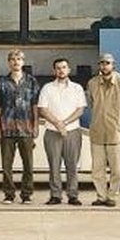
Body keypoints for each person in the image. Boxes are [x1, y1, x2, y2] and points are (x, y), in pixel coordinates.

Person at [86, 52, 120, 207]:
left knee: (116, 170)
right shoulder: (92, 83)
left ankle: (112, 196)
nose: (104, 66)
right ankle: (101, 196)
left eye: (107, 63)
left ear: (113, 65)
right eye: (101, 63)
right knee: (97, 169)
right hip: (97, 131)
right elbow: (91, 103)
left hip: (115, 132)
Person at [37, 57, 87, 206]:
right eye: (58, 68)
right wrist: (57, 123)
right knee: (54, 166)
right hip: (52, 132)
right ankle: (55, 195)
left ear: (69, 70)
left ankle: (73, 195)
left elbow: (80, 109)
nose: (61, 70)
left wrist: (64, 123)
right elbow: (42, 109)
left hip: (72, 131)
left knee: (72, 165)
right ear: (54, 71)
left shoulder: (77, 88)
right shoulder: (47, 88)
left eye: (64, 67)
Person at [0, 48, 40, 204]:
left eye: (19, 59)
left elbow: (34, 105)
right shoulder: (2, 82)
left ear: (23, 62)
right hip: (7, 127)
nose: (16, 62)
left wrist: (36, 125)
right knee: (6, 165)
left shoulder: (32, 81)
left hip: (26, 128)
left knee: (28, 164)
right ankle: (9, 194)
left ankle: (26, 194)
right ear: (9, 63)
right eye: (13, 59)